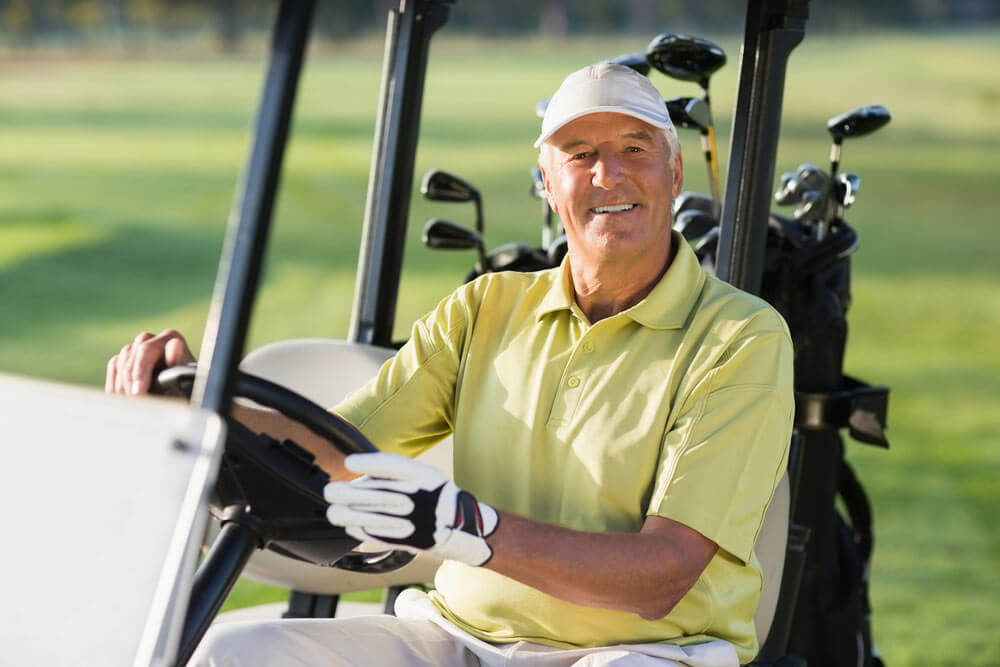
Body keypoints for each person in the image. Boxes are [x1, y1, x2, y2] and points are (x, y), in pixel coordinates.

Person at [107, 62, 793, 666]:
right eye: (579, 155)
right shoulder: (486, 308)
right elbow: (336, 455)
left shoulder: (740, 338)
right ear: (549, 186)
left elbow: (661, 575)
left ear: (673, 172)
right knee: (233, 653)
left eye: (633, 149)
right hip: (460, 639)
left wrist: (473, 527)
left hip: (643, 650)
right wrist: (205, 397)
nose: (607, 174)